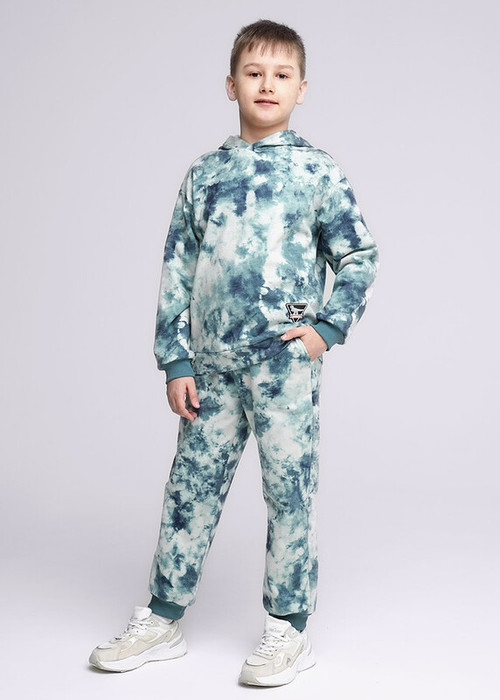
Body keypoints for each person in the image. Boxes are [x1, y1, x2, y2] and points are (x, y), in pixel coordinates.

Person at [89, 18, 379, 687]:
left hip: (284, 365)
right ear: (231, 85)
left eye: (282, 75)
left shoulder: (316, 172)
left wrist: (327, 329)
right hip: (211, 368)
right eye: (254, 73)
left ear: (302, 89)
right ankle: (163, 618)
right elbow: (176, 270)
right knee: (190, 488)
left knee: (289, 489)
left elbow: (359, 255)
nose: (267, 84)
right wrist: (176, 359)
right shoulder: (206, 175)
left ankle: (288, 628)